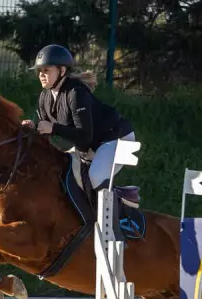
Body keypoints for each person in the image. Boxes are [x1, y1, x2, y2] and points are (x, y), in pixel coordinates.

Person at [22, 44, 136, 192]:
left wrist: (54, 128)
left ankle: (117, 211)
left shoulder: (76, 93)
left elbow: (84, 135)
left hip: (116, 138)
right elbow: (46, 130)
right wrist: (32, 128)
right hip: (90, 145)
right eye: (39, 71)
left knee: (95, 177)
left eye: (46, 70)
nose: (41, 75)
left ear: (62, 71)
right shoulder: (45, 96)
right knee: (60, 170)